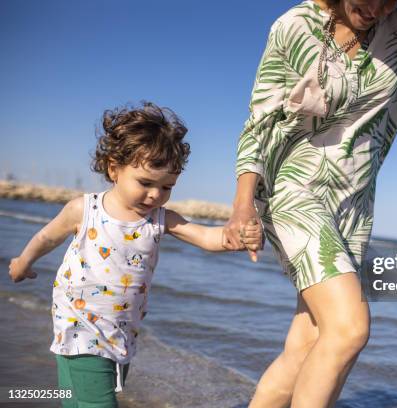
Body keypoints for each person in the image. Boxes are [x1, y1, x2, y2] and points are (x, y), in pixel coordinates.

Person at [223, 0, 397, 406]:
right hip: (294, 188)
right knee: (349, 328)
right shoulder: (295, 24)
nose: (377, 7)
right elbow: (261, 120)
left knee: (309, 342)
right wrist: (242, 204)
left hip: (353, 205)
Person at [8, 102, 262, 407]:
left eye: (167, 186)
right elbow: (46, 236)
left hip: (122, 331)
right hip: (80, 325)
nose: (155, 194)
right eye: (145, 182)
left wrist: (237, 236)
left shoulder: (159, 219)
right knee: (98, 402)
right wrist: (23, 262)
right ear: (114, 168)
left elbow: (207, 236)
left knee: (76, 399)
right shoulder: (84, 208)